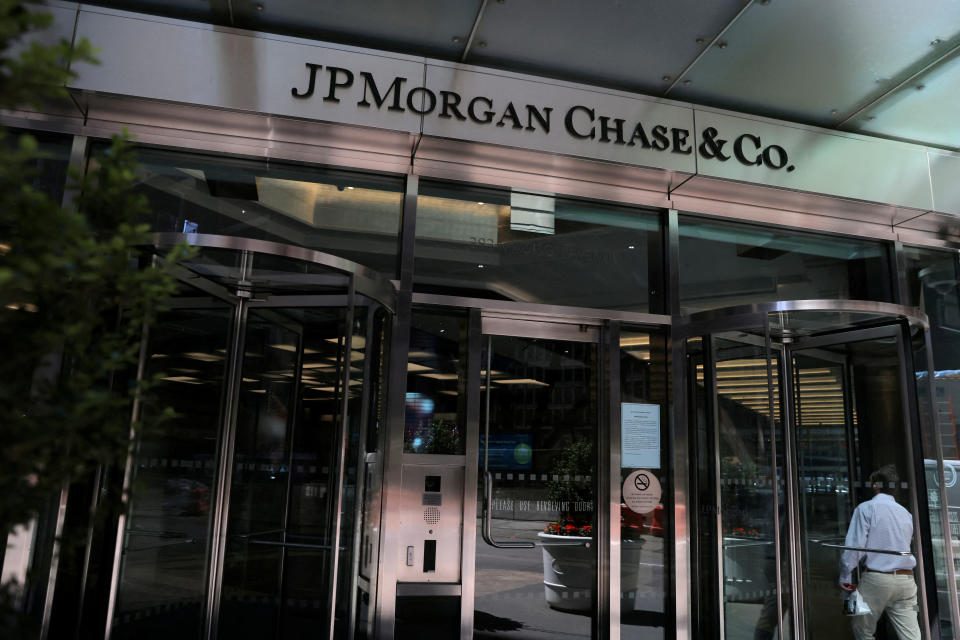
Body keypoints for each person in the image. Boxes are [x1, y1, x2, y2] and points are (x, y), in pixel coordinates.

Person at [839, 467, 920, 640]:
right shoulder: (905, 513)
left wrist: (845, 575)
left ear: (875, 485)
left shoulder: (866, 508)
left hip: (876, 579)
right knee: (911, 636)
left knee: (860, 627)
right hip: (906, 581)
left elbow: (855, 547)